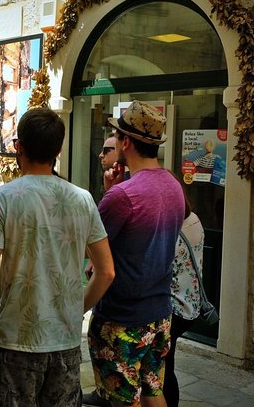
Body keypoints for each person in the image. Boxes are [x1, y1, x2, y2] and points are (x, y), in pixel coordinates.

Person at [0, 107, 115, 406]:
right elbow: (106, 272)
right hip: (64, 340)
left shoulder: (1, 200)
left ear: (18, 147)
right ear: (59, 149)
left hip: (16, 342)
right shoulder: (83, 199)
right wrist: (76, 311)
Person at [84, 101, 185, 407]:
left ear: (126, 142)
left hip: (122, 320)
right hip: (160, 315)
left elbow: (95, 250)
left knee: (123, 401)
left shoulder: (121, 196)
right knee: (154, 391)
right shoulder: (174, 186)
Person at [164, 194, 205, 407]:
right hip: (191, 305)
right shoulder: (194, 219)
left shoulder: (171, 230)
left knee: (163, 368)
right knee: (165, 363)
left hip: (173, 307)